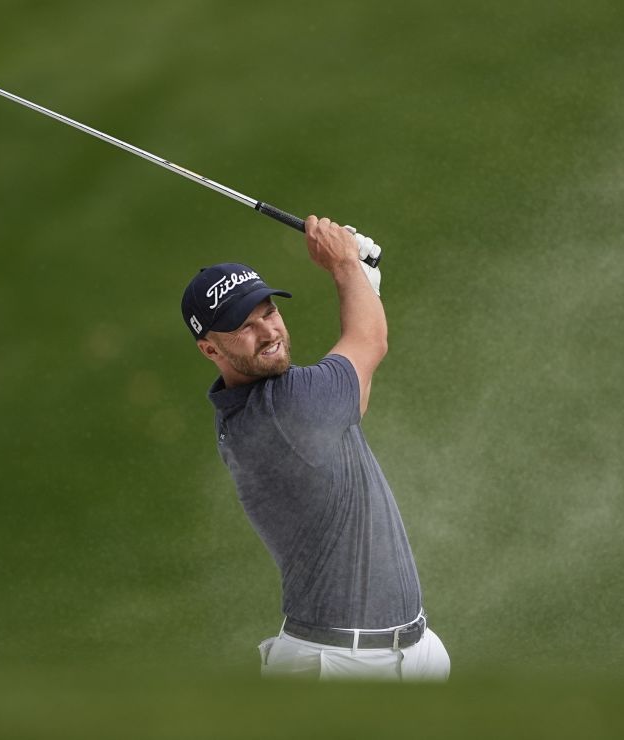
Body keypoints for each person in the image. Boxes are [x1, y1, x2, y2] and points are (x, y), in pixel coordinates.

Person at [180, 215, 450, 681]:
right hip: (341, 669)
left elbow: (353, 394)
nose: (268, 332)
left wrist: (366, 287)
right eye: (243, 327)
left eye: (269, 312)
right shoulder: (287, 407)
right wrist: (346, 266)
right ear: (210, 349)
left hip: (406, 655)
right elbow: (369, 341)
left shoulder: (278, 408)